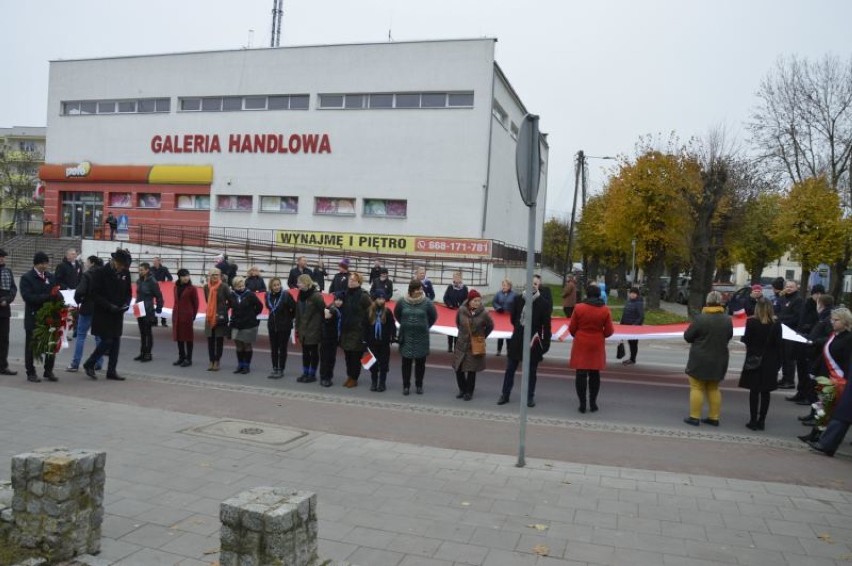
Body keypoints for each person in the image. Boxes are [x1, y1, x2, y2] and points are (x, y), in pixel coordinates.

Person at [498, 274, 551, 407]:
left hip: (533, 342)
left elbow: (547, 326)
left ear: (539, 286)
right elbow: (513, 319)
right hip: (517, 340)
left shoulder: (543, 303)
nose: (533, 285)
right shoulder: (517, 299)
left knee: (531, 372)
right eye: (531, 283)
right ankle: (505, 394)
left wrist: (545, 345)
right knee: (510, 369)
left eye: (535, 284)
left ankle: (529, 396)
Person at [805, 308, 852, 457]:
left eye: (836, 320)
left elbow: (846, 362)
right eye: (832, 319)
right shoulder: (834, 336)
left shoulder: (848, 339)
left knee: (835, 414)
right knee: (824, 408)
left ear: (845, 321)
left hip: (840, 381)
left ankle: (825, 442)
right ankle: (817, 437)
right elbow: (824, 352)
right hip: (828, 377)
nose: (832, 322)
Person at [683, 291, 733, 426]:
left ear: (707, 302)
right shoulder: (728, 320)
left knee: (697, 387)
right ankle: (714, 417)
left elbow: (687, 337)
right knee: (713, 388)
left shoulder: (700, 319)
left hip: (700, 358)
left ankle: (694, 417)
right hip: (720, 358)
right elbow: (729, 336)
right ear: (721, 302)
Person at [82, 249, 133, 381]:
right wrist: (109, 306)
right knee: (108, 340)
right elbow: (94, 293)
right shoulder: (100, 272)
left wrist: (126, 303)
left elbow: (128, 292)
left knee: (116, 341)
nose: (122, 268)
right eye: (121, 265)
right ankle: (90, 363)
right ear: (114, 261)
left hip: (118, 312)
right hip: (104, 312)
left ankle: (111, 371)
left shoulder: (125, 273)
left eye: (124, 266)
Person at [738, 299, 782, 431]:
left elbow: (746, 340)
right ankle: (762, 420)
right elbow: (779, 345)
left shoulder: (751, 322)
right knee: (766, 393)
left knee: (754, 391)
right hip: (770, 361)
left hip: (754, 359)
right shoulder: (776, 324)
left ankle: (753, 420)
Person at [569, 284, 614, 413]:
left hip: (581, 343)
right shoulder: (605, 310)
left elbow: (572, 328)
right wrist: (600, 335)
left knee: (581, 374)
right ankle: (593, 403)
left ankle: (582, 404)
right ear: (599, 294)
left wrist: (578, 334)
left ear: (587, 294)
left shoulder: (579, 308)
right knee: (595, 374)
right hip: (597, 343)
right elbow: (609, 331)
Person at [395, 279, 438, 395]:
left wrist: (424, 326)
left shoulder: (427, 302)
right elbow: (397, 314)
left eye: (421, 288)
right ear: (412, 290)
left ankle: (419, 385)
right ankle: (406, 386)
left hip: (421, 337)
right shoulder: (402, 302)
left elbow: (433, 317)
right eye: (418, 289)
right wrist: (406, 324)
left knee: (420, 364)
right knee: (406, 363)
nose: (421, 290)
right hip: (407, 336)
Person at [453, 289, 494, 401]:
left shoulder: (484, 313)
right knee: (459, 368)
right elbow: (458, 323)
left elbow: (491, 325)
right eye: (475, 300)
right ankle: (462, 389)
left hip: (474, 344)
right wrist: (463, 333)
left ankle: (469, 392)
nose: (477, 303)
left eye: (478, 301)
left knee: (471, 369)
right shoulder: (461, 310)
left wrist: (482, 336)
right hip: (461, 343)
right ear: (469, 300)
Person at [21, 252, 57, 382]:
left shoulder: (50, 277)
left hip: (49, 317)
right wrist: (48, 297)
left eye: (46, 263)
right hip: (33, 317)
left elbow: (56, 291)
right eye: (42, 263)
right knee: (31, 346)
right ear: (36, 264)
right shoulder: (27, 278)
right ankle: (30, 372)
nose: (44, 266)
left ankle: (48, 371)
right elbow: (28, 297)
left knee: (50, 345)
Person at [787, 284, 824, 404]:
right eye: (816, 293)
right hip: (801, 340)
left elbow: (819, 325)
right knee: (801, 369)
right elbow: (800, 320)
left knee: (809, 372)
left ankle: (809, 396)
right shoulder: (806, 304)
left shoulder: (821, 307)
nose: (818, 296)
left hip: (812, 343)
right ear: (812, 294)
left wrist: (808, 328)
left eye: (820, 293)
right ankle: (801, 392)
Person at [68, 256, 104, 373]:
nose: (86, 263)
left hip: (87, 307)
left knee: (81, 336)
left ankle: (75, 363)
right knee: (98, 337)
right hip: (100, 308)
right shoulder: (103, 274)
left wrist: (78, 300)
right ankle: (98, 363)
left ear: (92, 263)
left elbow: (80, 291)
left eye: (87, 262)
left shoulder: (87, 274)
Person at [340, 272, 371, 388]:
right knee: (347, 355)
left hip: (358, 331)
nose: (351, 282)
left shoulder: (363, 296)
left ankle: (354, 378)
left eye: (353, 280)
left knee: (355, 357)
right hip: (346, 330)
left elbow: (371, 311)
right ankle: (349, 376)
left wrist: (365, 326)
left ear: (359, 282)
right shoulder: (345, 294)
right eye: (350, 280)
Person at [229, 276, 263, 374]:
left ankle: (246, 366)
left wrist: (253, 314)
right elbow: (230, 306)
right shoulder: (232, 295)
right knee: (239, 345)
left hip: (248, 324)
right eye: (239, 286)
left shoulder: (250, 294)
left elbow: (259, 305)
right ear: (234, 286)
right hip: (236, 323)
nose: (241, 287)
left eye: (242, 285)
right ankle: (240, 364)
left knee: (247, 345)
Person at [365, 289, 396, 392]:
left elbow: (392, 325)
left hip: (383, 342)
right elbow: (364, 325)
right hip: (372, 342)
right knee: (373, 363)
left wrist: (392, 336)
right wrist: (364, 339)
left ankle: (382, 383)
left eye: (383, 298)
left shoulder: (387, 312)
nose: (381, 301)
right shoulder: (369, 311)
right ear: (375, 299)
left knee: (383, 363)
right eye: (379, 298)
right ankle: (374, 382)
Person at [265, 276, 296, 379]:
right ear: (271, 287)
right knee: (274, 348)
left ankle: (281, 369)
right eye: (274, 285)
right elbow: (269, 308)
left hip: (284, 326)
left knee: (282, 348)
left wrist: (288, 318)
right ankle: (274, 367)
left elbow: (294, 308)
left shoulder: (286, 295)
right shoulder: (267, 295)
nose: (277, 287)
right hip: (272, 326)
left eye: (278, 284)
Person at [295, 274, 324, 382]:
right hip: (303, 329)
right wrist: (297, 327)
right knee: (305, 353)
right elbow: (298, 312)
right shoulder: (300, 294)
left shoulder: (316, 296)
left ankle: (312, 374)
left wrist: (319, 326)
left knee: (313, 353)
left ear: (306, 283)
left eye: (300, 283)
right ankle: (305, 373)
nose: (298, 285)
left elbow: (323, 311)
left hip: (313, 329)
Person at [777, 280, 804, 390]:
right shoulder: (783, 298)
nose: (789, 288)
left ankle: (790, 380)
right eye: (787, 286)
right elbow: (779, 312)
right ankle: (784, 378)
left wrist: (781, 320)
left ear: (796, 287)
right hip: (782, 331)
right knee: (783, 356)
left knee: (789, 357)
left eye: (791, 287)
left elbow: (797, 317)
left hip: (791, 332)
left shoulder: (798, 299)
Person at [134, 262, 163, 363]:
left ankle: (148, 354)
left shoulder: (152, 282)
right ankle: (142, 352)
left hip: (147, 309)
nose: (140, 271)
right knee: (142, 332)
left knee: (147, 332)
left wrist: (159, 308)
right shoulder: (139, 281)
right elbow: (138, 295)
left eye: (142, 270)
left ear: (147, 270)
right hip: (138, 307)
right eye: (139, 269)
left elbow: (159, 296)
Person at [203, 268, 231, 372]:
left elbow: (230, 300)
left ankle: (217, 361)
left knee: (219, 340)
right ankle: (211, 360)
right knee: (210, 339)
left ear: (220, 276)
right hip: (210, 317)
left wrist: (224, 309)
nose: (215, 276)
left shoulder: (224, 286)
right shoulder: (206, 287)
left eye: (217, 275)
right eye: (213, 275)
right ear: (209, 276)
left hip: (220, 317)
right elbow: (207, 300)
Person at [172, 268, 198, 367]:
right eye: (184, 276)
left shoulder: (192, 289)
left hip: (187, 316)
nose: (186, 278)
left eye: (187, 275)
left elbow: (196, 303)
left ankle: (189, 359)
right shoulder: (175, 287)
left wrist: (193, 315)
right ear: (179, 277)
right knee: (179, 337)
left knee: (188, 337)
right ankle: (181, 357)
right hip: (177, 315)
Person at [319, 292, 344, 387]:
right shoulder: (330, 309)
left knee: (331, 359)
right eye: (337, 300)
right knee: (325, 358)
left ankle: (329, 376)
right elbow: (325, 320)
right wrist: (328, 317)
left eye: (340, 300)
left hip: (334, 338)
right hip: (326, 338)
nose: (338, 302)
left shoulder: (341, 310)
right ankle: (323, 377)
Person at [0, 249, 17, 376]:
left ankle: (3, 366)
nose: (2, 259)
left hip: (5, 310)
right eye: (0, 257)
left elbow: (13, 288)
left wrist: (7, 299)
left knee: (4, 339)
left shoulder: (7, 271)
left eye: (3, 257)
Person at [443, 271, 468, 353]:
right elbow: (445, 298)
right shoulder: (450, 287)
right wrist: (449, 304)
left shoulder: (464, 288)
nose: (457, 279)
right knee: (450, 329)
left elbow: (467, 300)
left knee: (458, 329)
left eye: (458, 277)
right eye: (455, 277)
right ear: (453, 278)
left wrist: (462, 306)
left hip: (460, 312)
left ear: (461, 278)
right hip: (450, 312)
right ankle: (450, 346)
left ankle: (456, 346)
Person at [620, 287, 645, 365]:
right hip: (627, 326)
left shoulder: (639, 303)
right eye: (631, 293)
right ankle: (631, 358)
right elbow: (624, 314)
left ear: (637, 294)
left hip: (634, 328)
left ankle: (633, 359)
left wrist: (635, 325)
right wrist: (621, 324)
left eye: (634, 293)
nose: (632, 294)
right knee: (630, 343)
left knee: (633, 343)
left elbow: (641, 316)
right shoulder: (628, 302)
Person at [491, 279, 516, 356]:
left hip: (509, 317)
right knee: (501, 335)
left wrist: (514, 311)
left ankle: (509, 350)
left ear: (509, 286)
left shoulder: (514, 295)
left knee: (509, 334)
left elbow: (518, 303)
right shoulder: (498, 294)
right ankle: (499, 350)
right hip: (501, 317)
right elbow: (494, 302)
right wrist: (498, 308)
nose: (504, 287)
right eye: (503, 285)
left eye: (505, 285)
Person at [150, 257, 173, 327]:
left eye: (155, 261)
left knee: (162, 304)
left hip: (162, 289)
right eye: (153, 261)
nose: (154, 263)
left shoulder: (164, 269)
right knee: (153, 304)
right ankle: (154, 321)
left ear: (159, 262)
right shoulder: (151, 269)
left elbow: (170, 278)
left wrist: (163, 283)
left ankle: (163, 321)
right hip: (153, 288)